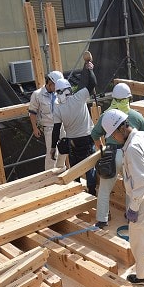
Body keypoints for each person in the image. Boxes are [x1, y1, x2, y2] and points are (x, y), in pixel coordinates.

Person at [101, 109, 144, 286]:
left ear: (121, 130)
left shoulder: (132, 149)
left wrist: (133, 207)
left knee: (138, 238)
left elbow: (140, 181)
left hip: (142, 200)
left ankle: (143, 276)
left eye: (113, 135)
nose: (113, 138)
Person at [90, 83, 144, 229]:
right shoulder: (136, 115)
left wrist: (101, 148)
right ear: (129, 98)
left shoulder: (107, 116)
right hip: (131, 155)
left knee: (104, 189)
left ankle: (102, 220)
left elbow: (94, 134)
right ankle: (130, 216)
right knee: (131, 186)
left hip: (112, 155)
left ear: (113, 99)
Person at [53, 65, 97, 196]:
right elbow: (93, 83)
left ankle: (76, 192)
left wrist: (51, 148)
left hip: (72, 142)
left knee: (74, 167)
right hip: (88, 138)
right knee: (90, 166)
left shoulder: (58, 109)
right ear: (69, 89)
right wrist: (90, 69)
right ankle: (92, 192)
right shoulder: (79, 97)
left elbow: (56, 130)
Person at [28, 71, 67, 172]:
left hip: (61, 125)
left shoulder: (59, 93)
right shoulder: (37, 95)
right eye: (56, 85)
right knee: (52, 153)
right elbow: (32, 113)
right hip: (49, 127)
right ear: (50, 83)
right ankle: (49, 175)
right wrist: (35, 128)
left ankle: (60, 170)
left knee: (64, 148)